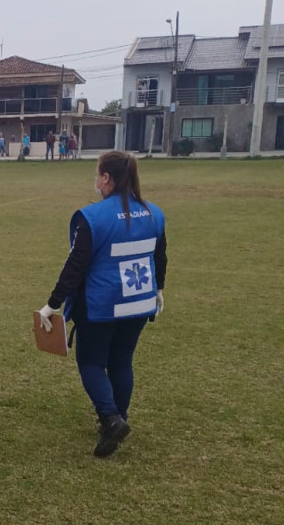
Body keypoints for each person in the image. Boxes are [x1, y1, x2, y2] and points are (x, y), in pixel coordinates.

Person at [38, 151, 167, 458]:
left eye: (97, 174)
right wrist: (158, 289)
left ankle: (110, 417)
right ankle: (117, 420)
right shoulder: (153, 213)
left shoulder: (92, 217)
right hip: (138, 302)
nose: (95, 180)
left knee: (92, 363)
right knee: (122, 362)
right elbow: (159, 256)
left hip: (101, 305)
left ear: (106, 178)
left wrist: (51, 305)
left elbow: (76, 265)